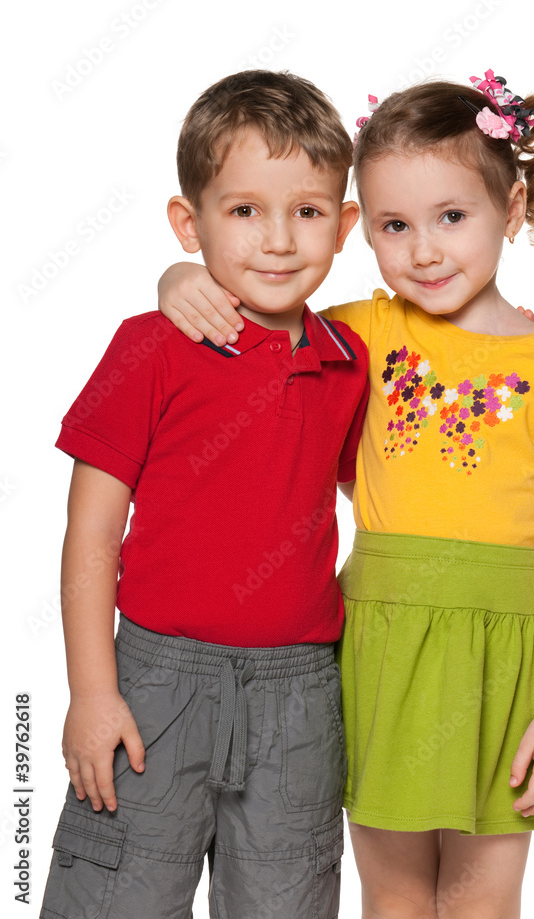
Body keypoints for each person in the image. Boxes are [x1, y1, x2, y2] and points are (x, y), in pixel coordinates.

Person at [157, 69, 534, 918]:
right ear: (359, 228)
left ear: (512, 207)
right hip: (378, 642)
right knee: (393, 895)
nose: (424, 251)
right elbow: (255, 306)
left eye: (452, 217)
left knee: (482, 898)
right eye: (393, 225)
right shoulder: (361, 334)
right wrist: (176, 281)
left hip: (500, 655)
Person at [40, 69, 370, 919]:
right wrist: (92, 691)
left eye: (307, 211)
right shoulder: (150, 346)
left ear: (345, 226)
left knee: (286, 899)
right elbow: (90, 534)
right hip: (155, 682)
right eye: (244, 210)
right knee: (117, 896)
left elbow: (372, 490)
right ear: (190, 225)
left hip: (300, 695)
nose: (278, 240)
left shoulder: (349, 360)